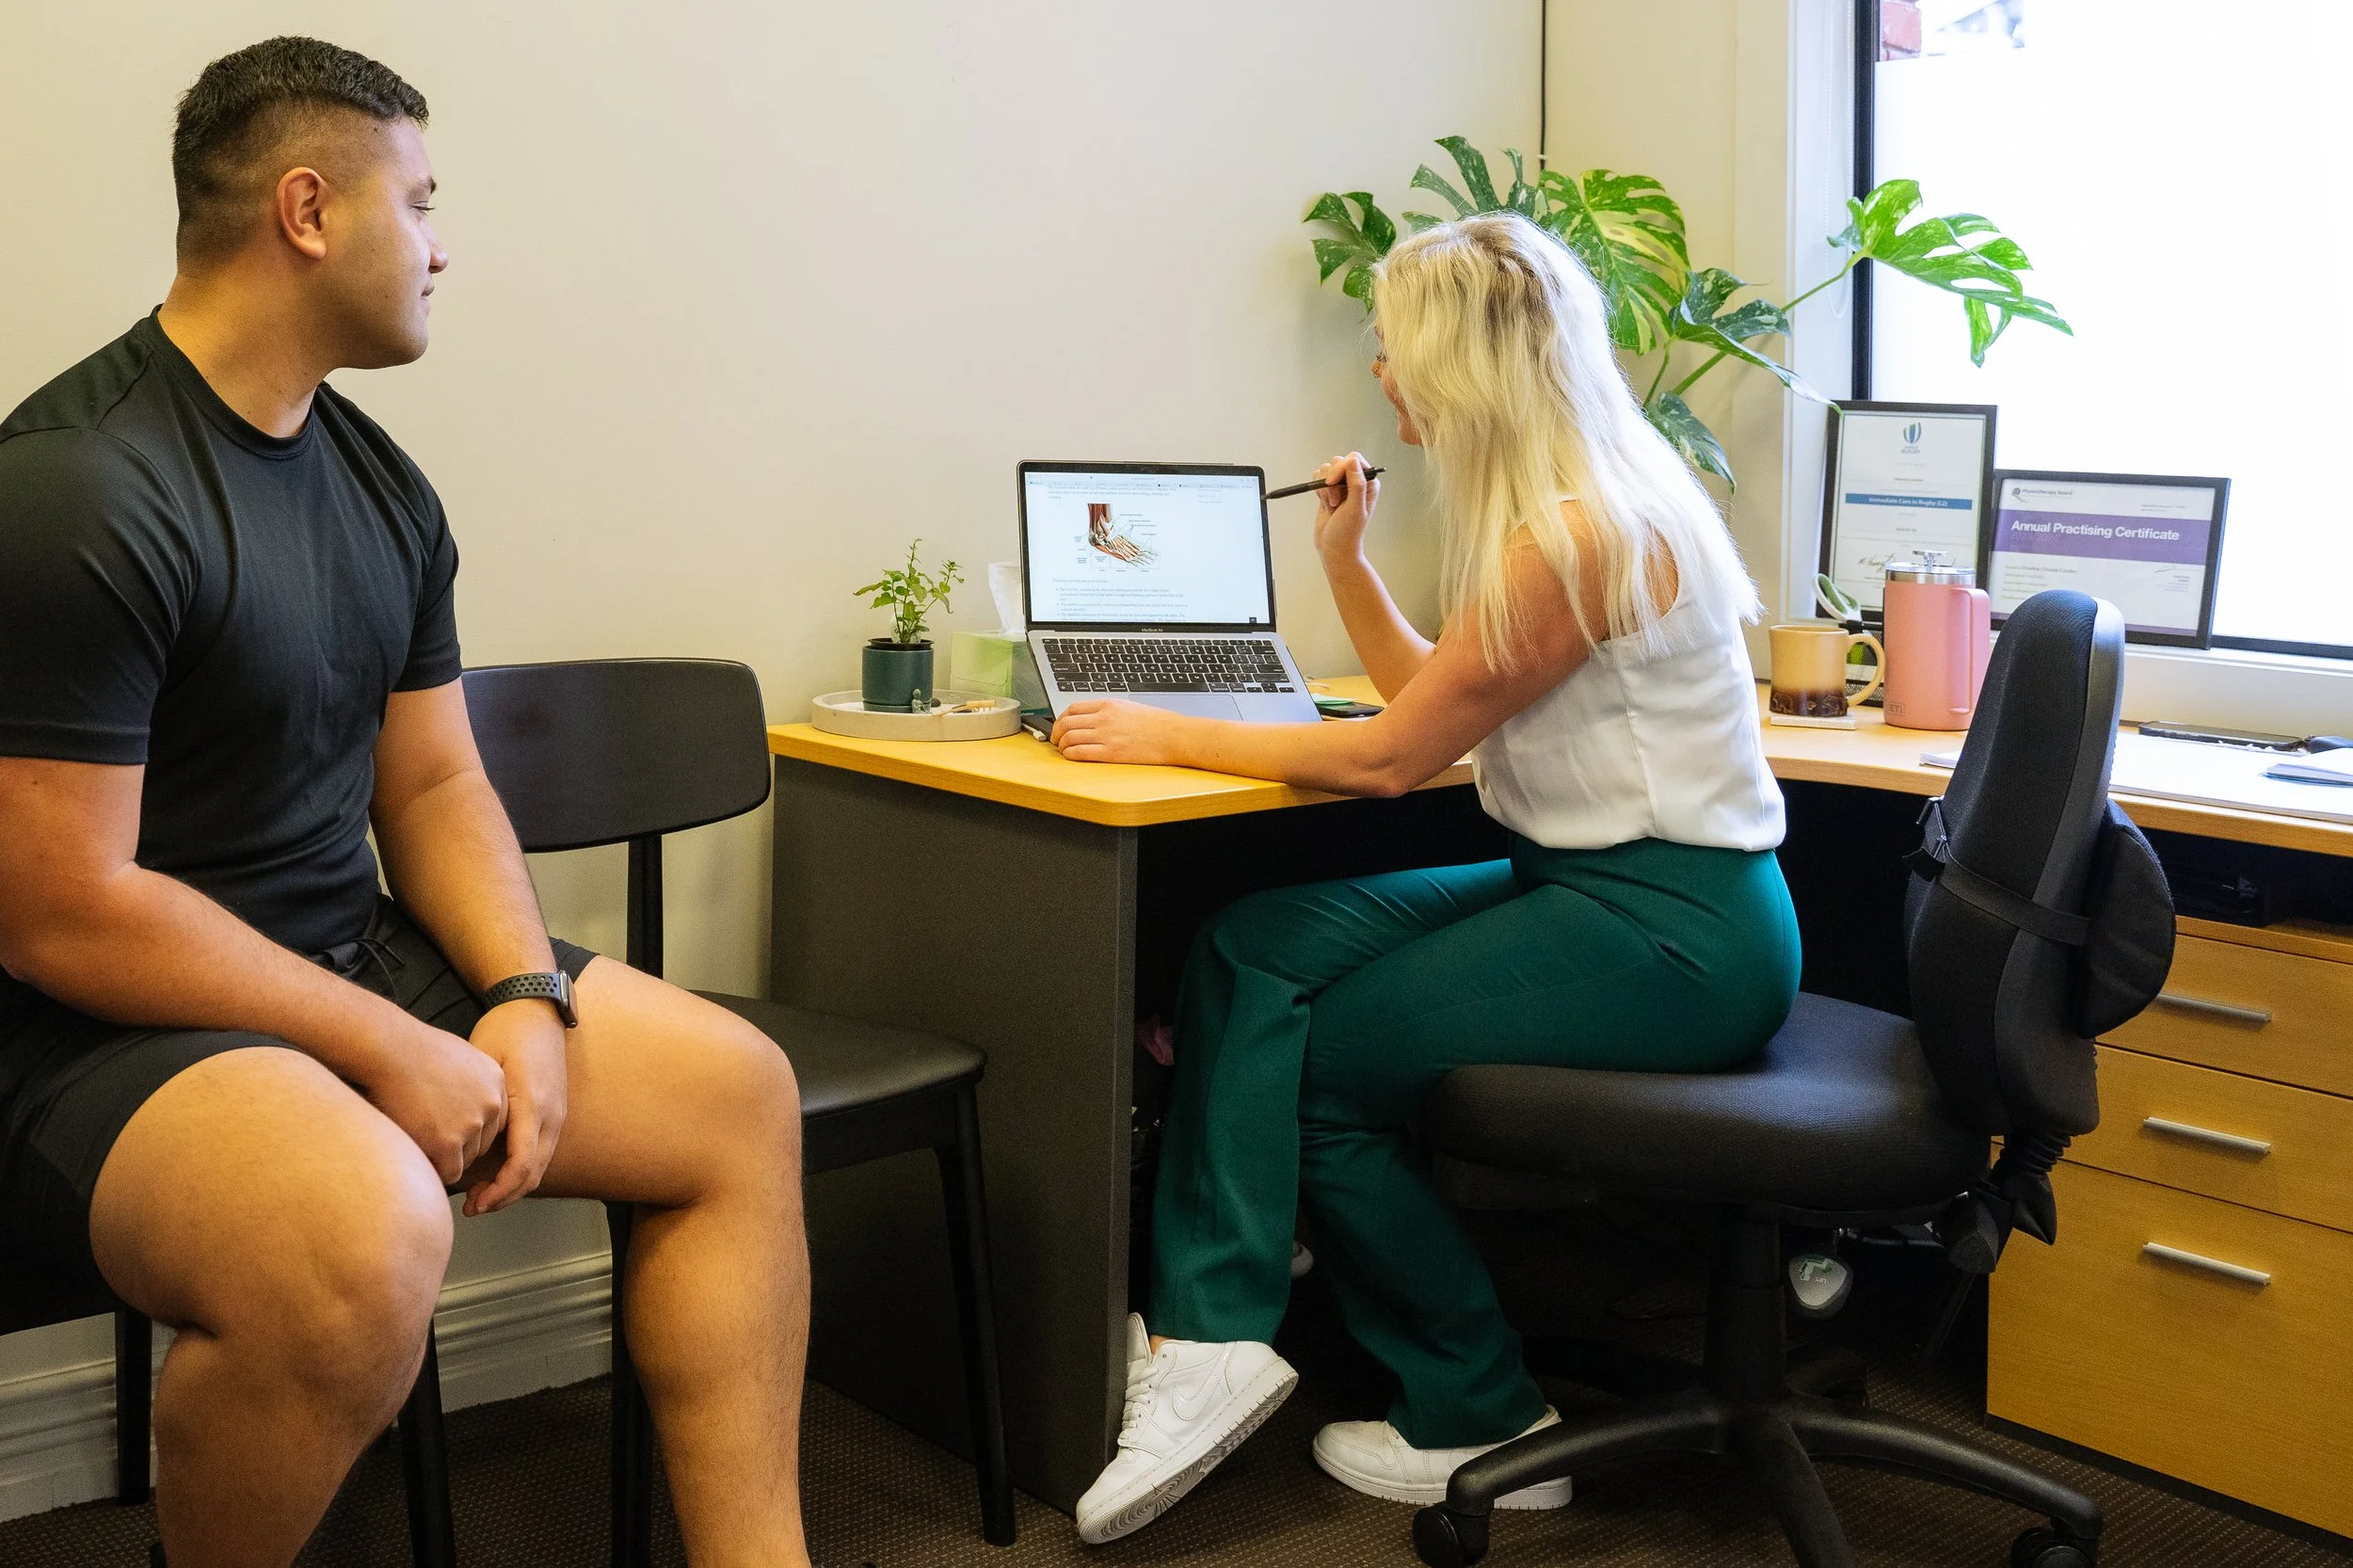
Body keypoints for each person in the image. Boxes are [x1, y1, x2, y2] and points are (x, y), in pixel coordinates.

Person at [0, 39, 814, 1568]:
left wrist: (512, 990)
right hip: (87, 1033)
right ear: (309, 210)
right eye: (422, 200)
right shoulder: (80, 487)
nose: (445, 243)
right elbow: (61, 908)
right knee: (368, 1228)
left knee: (736, 1095)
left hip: (334, 957)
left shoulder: (380, 486)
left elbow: (436, 779)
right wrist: (391, 1043)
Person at [1054, 211, 1801, 1544]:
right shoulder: (1570, 514)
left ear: (1456, 364)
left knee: (1326, 1067)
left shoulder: (1581, 534)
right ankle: (1209, 1329)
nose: (1384, 376)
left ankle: (1480, 1404)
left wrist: (1161, 724)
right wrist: (1343, 563)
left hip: (1679, 930)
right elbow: (1439, 705)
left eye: (1393, 349)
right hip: (1603, 885)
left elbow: (1390, 761)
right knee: (1251, 939)